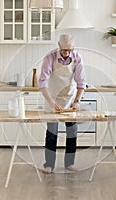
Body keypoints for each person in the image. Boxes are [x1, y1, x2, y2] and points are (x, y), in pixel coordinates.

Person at [38, 34, 86, 174]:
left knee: (72, 132)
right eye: (64, 50)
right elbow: (42, 83)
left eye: (70, 50)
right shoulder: (50, 58)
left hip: (70, 99)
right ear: (59, 47)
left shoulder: (77, 58)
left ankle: (69, 163)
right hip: (52, 98)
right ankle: (49, 165)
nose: (67, 53)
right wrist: (52, 102)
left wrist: (76, 101)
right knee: (52, 133)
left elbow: (81, 83)